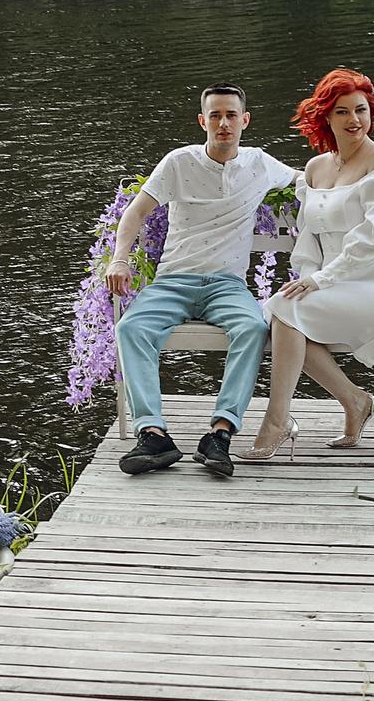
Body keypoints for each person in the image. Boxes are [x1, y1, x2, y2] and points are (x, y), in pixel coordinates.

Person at [104, 84, 297, 479]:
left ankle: (220, 434)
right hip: (173, 281)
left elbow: (310, 180)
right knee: (131, 328)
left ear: (244, 121)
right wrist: (119, 259)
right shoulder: (178, 162)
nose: (223, 124)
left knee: (252, 328)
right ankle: (153, 435)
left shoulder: (260, 164)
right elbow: (135, 212)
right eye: (215, 116)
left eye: (231, 116)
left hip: (227, 286)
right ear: (202, 121)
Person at [246, 68, 374, 458]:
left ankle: (278, 420)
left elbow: (373, 240)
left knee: (283, 313)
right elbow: (309, 235)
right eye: (342, 111)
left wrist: (321, 281)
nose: (354, 120)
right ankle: (355, 402)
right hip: (332, 281)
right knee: (284, 315)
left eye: (361, 110)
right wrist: (310, 278)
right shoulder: (316, 168)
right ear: (326, 116)